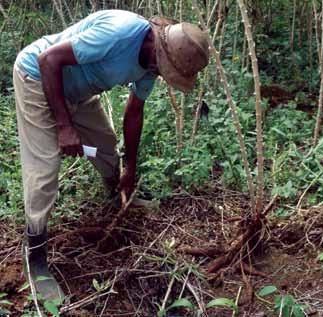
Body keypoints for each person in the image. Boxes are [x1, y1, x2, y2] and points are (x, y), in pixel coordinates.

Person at [13, 10, 209, 302]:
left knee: (104, 147)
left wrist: (129, 169)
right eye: (163, 68)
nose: (160, 74)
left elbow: (133, 113)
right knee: (44, 169)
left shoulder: (149, 64)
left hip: (77, 92)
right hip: (38, 78)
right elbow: (49, 60)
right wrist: (65, 128)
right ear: (158, 49)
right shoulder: (120, 33)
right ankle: (36, 257)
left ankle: (113, 194)